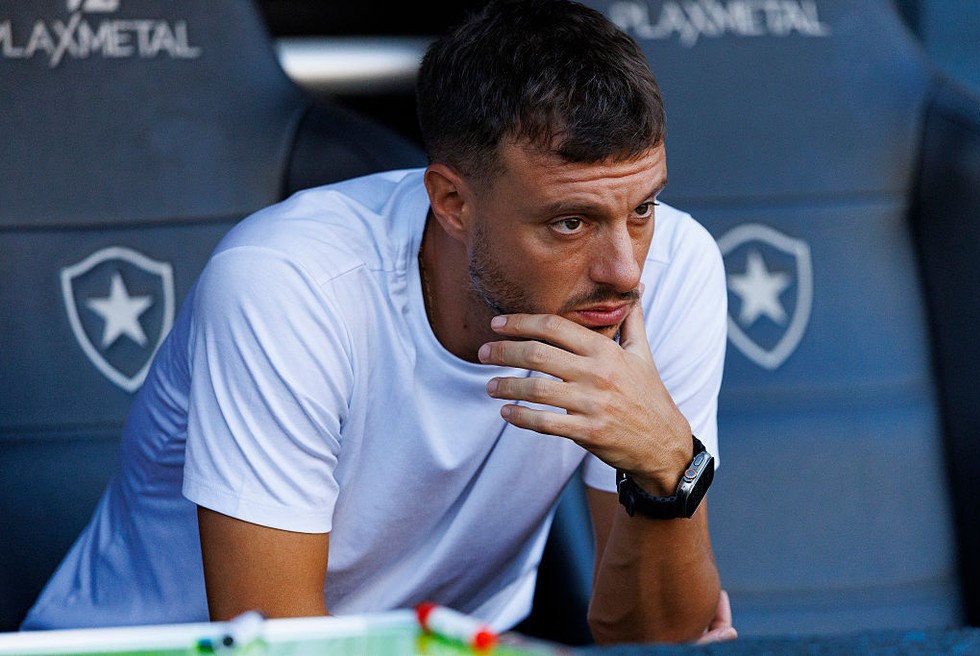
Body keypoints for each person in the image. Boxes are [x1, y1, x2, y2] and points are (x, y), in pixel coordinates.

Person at [24, 0, 735, 644]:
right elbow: (277, 645)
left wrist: (670, 469)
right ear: (452, 203)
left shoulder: (671, 268)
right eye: (570, 221)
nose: (625, 269)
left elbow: (655, 642)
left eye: (641, 208)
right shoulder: (288, 286)